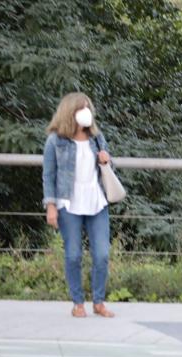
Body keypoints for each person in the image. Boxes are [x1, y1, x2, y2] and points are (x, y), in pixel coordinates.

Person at [42, 92, 115, 318]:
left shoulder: (96, 137)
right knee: (73, 254)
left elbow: (109, 167)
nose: (86, 112)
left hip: (96, 202)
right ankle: (77, 302)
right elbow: (49, 174)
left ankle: (99, 301)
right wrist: (51, 206)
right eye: (81, 108)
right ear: (69, 112)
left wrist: (107, 160)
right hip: (68, 203)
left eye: (87, 108)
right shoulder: (55, 140)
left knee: (102, 254)